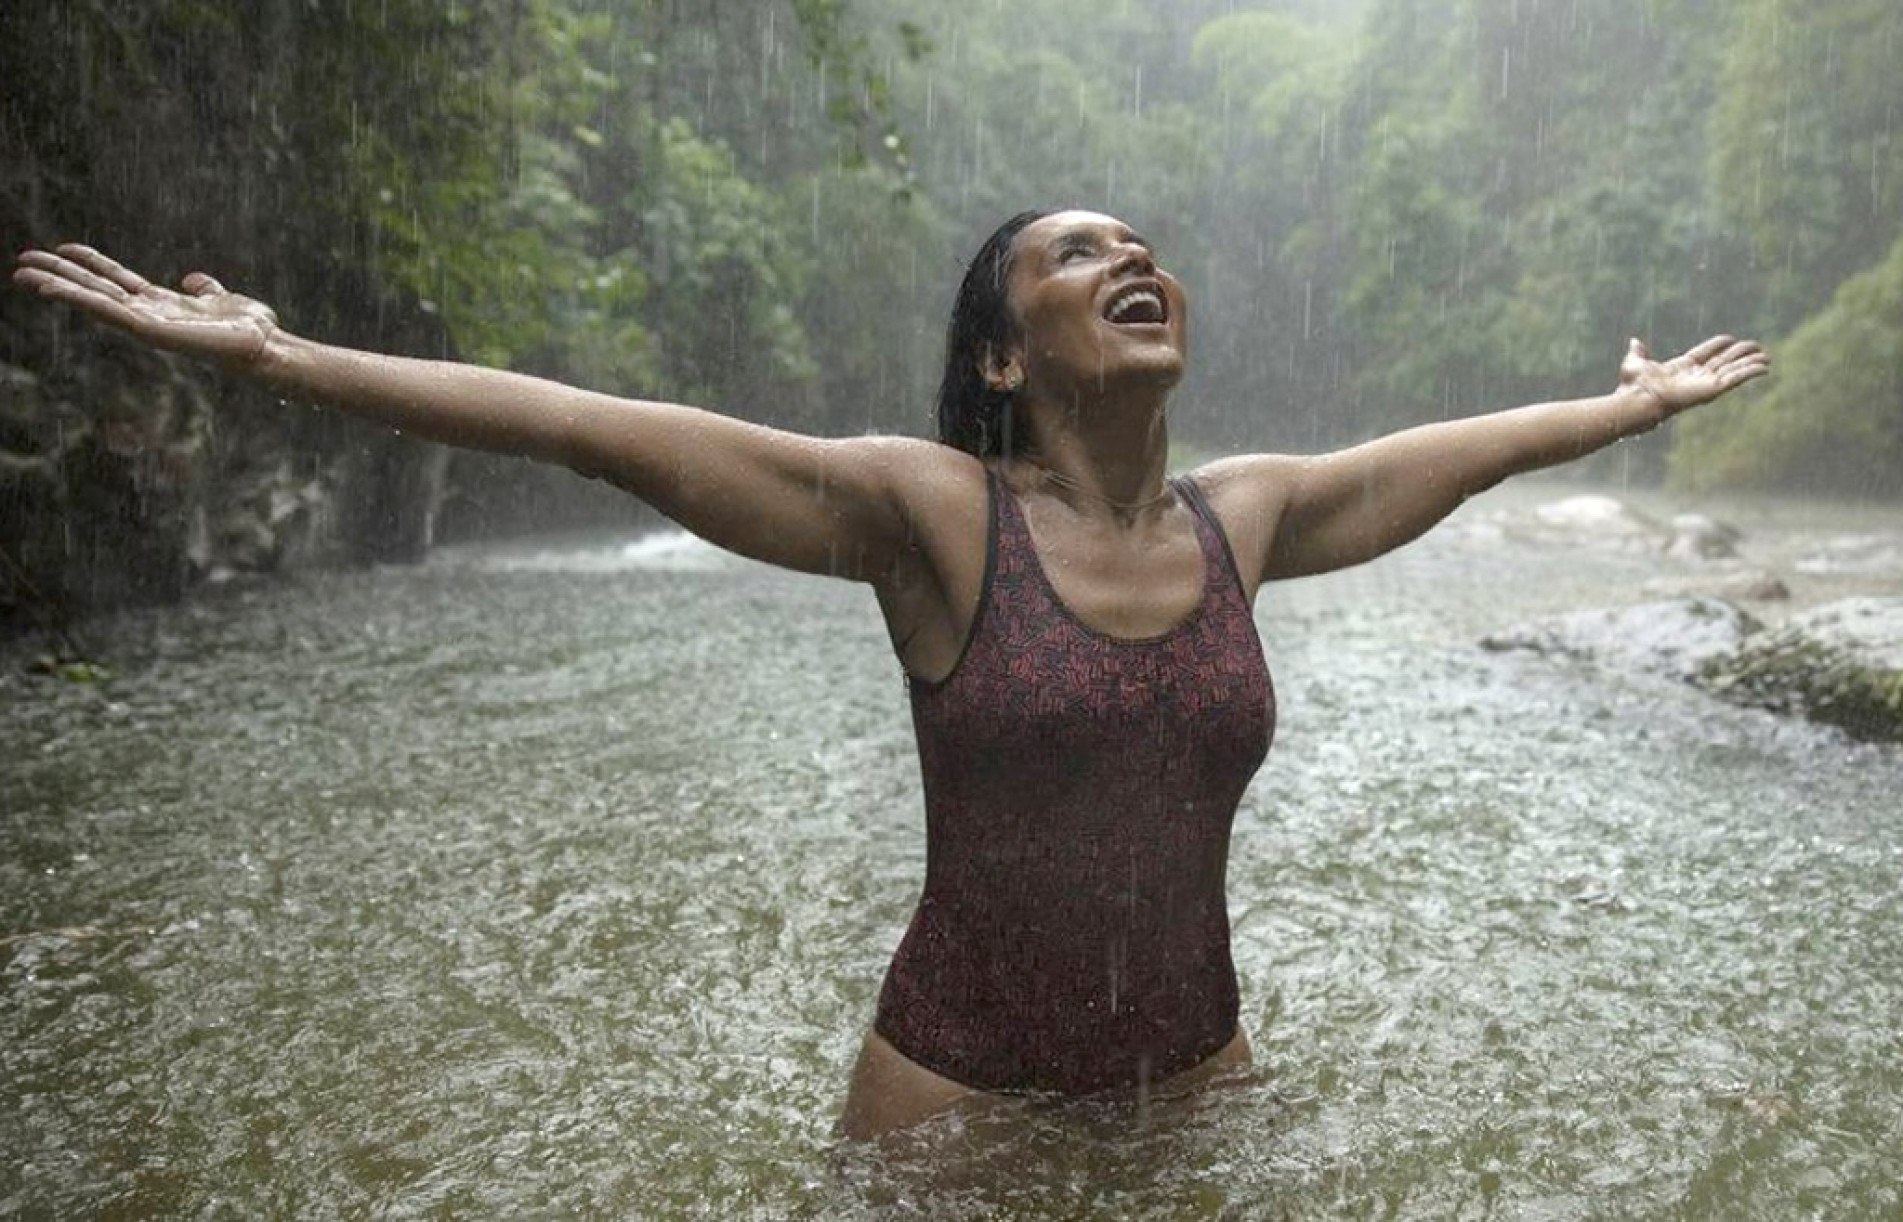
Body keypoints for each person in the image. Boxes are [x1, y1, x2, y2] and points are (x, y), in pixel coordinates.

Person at [12, 210, 1769, 1140]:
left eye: (1139, 244)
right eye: (1080, 254)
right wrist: (280, 354)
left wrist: (1623, 411)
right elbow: (604, 430)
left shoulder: (1251, 517)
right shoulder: (931, 516)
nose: (1131, 258)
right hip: (957, 1119)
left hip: (1196, 1089)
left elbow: (1445, 452)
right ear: (1006, 358)